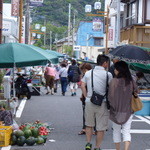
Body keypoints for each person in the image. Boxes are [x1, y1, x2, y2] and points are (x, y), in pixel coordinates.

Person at [81, 55, 113, 150]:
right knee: (101, 127)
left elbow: (82, 85)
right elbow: (111, 88)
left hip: (89, 101)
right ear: (105, 63)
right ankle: (97, 147)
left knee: (89, 124)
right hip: (102, 103)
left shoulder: (88, 73)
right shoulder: (108, 75)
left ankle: (88, 143)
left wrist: (86, 96)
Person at [108, 61, 138, 150]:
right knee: (126, 132)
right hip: (128, 110)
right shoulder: (131, 81)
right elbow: (136, 92)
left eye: (115, 69)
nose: (114, 71)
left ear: (119, 70)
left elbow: (111, 96)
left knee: (116, 132)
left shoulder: (114, 81)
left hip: (116, 110)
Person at [78, 63, 92, 135]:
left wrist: (85, 97)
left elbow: (83, 86)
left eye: (84, 70)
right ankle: (85, 128)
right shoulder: (85, 75)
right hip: (85, 96)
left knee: (90, 113)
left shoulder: (91, 75)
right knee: (85, 113)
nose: (83, 71)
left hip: (89, 96)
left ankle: (90, 129)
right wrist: (82, 95)